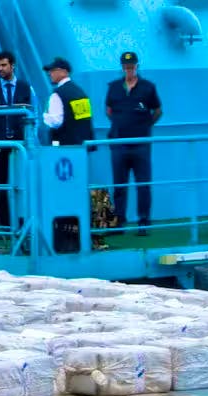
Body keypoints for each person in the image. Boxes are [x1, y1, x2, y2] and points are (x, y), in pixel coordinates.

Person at [42, 58, 111, 249]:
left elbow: (55, 121)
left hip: (63, 153)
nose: (50, 74)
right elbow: (84, 122)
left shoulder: (58, 95)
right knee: (79, 191)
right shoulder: (80, 93)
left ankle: (65, 235)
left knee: (62, 193)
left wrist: (44, 116)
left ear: (63, 71)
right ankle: (82, 233)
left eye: (52, 70)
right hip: (81, 151)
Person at [0, 51, 38, 227]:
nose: (0, 69)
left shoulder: (27, 88)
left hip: (21, 145)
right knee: (2, 184)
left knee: (21, 182)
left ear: (13, 66)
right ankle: (5, 225)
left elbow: (35, 116)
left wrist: (32, 141)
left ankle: (23, 221)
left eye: (3, 65)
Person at [105, 51, 162, 235]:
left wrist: (145, 125)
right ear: (122, 67)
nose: (129, 69)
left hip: (140, 145)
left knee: (143, 185)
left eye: (132, 66)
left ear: (137, 66)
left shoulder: (148, 88)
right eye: (126, 66)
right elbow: (109, 110)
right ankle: (119, 222)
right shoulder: (113, 87)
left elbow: (158, 110)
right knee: (119, 185)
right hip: (119, 144)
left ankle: (143, 222)